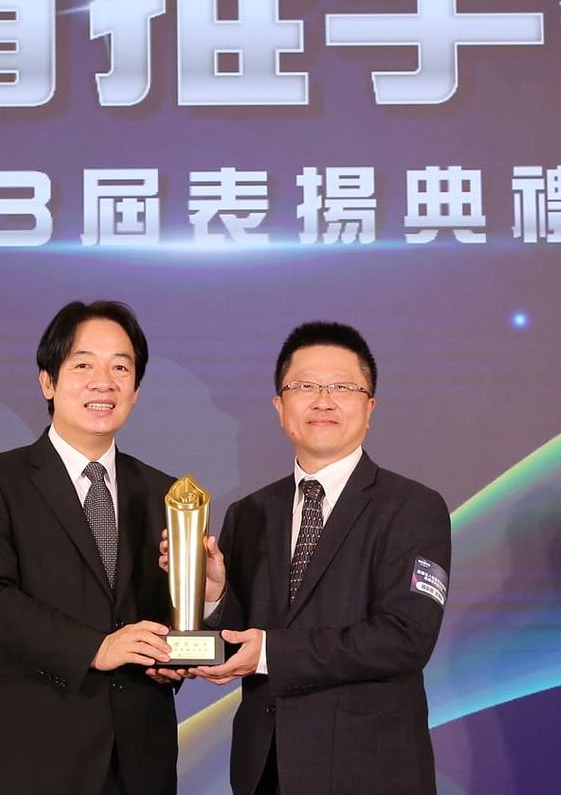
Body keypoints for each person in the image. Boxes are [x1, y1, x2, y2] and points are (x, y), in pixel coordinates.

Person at [187, 321, 451, 795]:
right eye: (305, 386)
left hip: (369, 771)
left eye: (343, 387)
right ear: (279, 406)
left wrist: (272, 652)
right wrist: (213, 597)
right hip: (266, 769)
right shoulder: (249, 513)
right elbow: (240, 642)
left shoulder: (413, 507)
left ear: (370, 408)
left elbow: (405, 637)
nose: (323, 400)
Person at [0, 301, 178, 795]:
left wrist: (204, 600)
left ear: (136, 391)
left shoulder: (166, 492)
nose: (104, 382)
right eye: (83, 365)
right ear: (48, 382)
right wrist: (96, 648)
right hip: (35, 754)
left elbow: (166, 623)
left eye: (121, 368)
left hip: (140, 759)